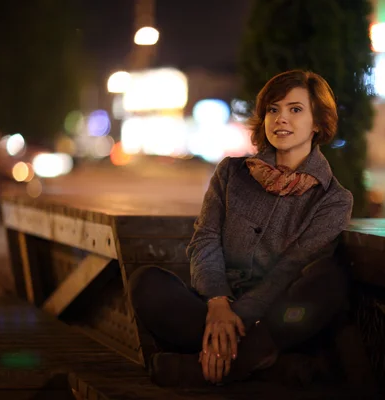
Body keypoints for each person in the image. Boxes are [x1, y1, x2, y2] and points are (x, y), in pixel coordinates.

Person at [128, 70, 353, 387]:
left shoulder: (333, 199)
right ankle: (263, 366)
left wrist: (239, 318)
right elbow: (204, 240)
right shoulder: (232, 173)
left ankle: (203, 369)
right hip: (211, 311)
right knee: (146, 282)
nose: (280, 119)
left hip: (277, 320)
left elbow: (292, 267)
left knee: (327, 280)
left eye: (295, 109)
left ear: (317, 122)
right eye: (273, 110)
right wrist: (218, 304)